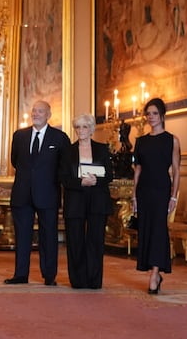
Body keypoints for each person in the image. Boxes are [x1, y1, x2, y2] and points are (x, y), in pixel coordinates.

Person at [4, 100, 70, 286]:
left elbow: (63, 166)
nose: (36, 114)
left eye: (40, 111)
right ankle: (20, 274)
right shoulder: (19, 136)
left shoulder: (60, 138)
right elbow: (15, 161)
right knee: (22, 236)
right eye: (34, 111)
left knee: (48, 236)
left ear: (48, 115)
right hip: (22, 193)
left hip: (48, 194)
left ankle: (49, 275)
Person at [132, 97, 180, 294]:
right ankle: (154, 272)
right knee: (146, 229)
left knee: (159, 230)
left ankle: (155, 273)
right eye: (148, 114)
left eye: (154, 113)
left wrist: (174, 196)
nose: (151, 117)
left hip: (162, 190)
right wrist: (134, 196)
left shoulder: (172, 140)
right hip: (144, 190)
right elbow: (138, 170)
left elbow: (176, 170)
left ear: (162, 115)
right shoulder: (140, 141)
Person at [61, 113, 113, 289]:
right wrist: (81, 182)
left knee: (95, 241)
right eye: (78, 127)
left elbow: (109, 175)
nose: (81, 130)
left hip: (97, 199)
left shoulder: (102, 149)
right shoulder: (67, 151)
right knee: (75, 241)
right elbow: (63, 177)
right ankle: (78, 280)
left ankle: (94, 280)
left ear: (91, 129)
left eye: (84, 127)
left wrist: (96, 180)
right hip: (75, 200)